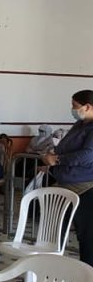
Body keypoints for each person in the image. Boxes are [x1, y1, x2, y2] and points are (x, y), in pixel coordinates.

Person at [41, 90, 93, 266]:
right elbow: (66, 146)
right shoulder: (80, 124)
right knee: (54, 232)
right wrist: (52, 156)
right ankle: (49, 270)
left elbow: (87, 156)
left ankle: (88, 275)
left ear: (88, 106)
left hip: (85, 187)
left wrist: (58, 159)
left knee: (87, 236)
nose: (72, 109)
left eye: (75, 106)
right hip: (66, 182)